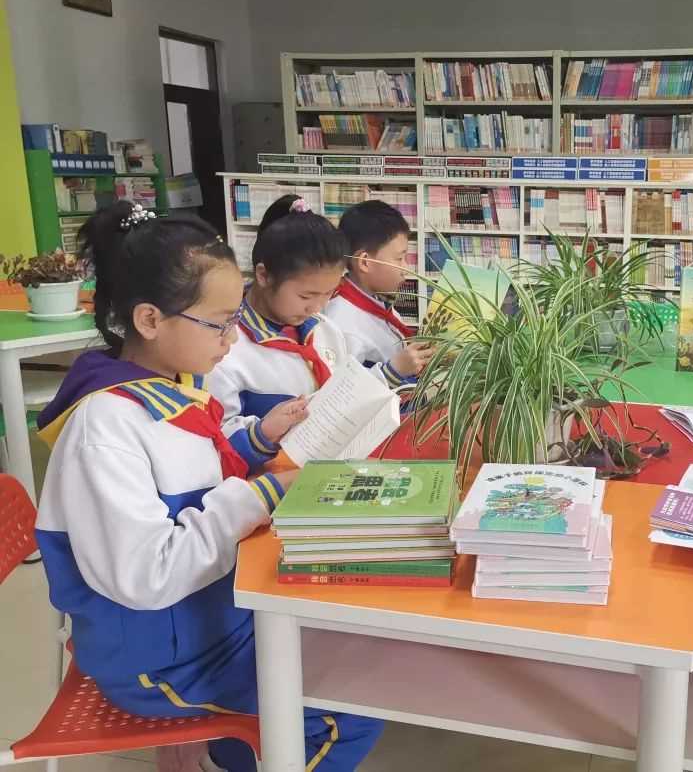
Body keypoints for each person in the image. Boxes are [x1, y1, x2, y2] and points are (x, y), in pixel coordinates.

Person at [33, 202, 382, 772]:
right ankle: (230, 753)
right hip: (160, 660)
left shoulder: (175, 390)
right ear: (150, 320)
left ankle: (227, 750)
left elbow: (203, 480)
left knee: (354, 639)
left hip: (211, 616)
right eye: (219, 323)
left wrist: (259, 446)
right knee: (352, 711)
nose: (232, 337)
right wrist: (262, 495)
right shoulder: (107, 427)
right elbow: (146, 576)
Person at [207, 198, 404, 454]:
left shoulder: (324, 329)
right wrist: (262, 433)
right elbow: (216, 440)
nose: (317, 308)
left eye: (329, 294)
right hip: (271, 473)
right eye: (306, 296)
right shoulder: (223, 350)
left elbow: (344, 394)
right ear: (264, 275)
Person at [324, 200, 432, 383]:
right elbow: (341, 390)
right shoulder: (340, 323)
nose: (406, 268)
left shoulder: (377, 300)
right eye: (399, 258)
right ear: (365, 262)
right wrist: (394, 371)